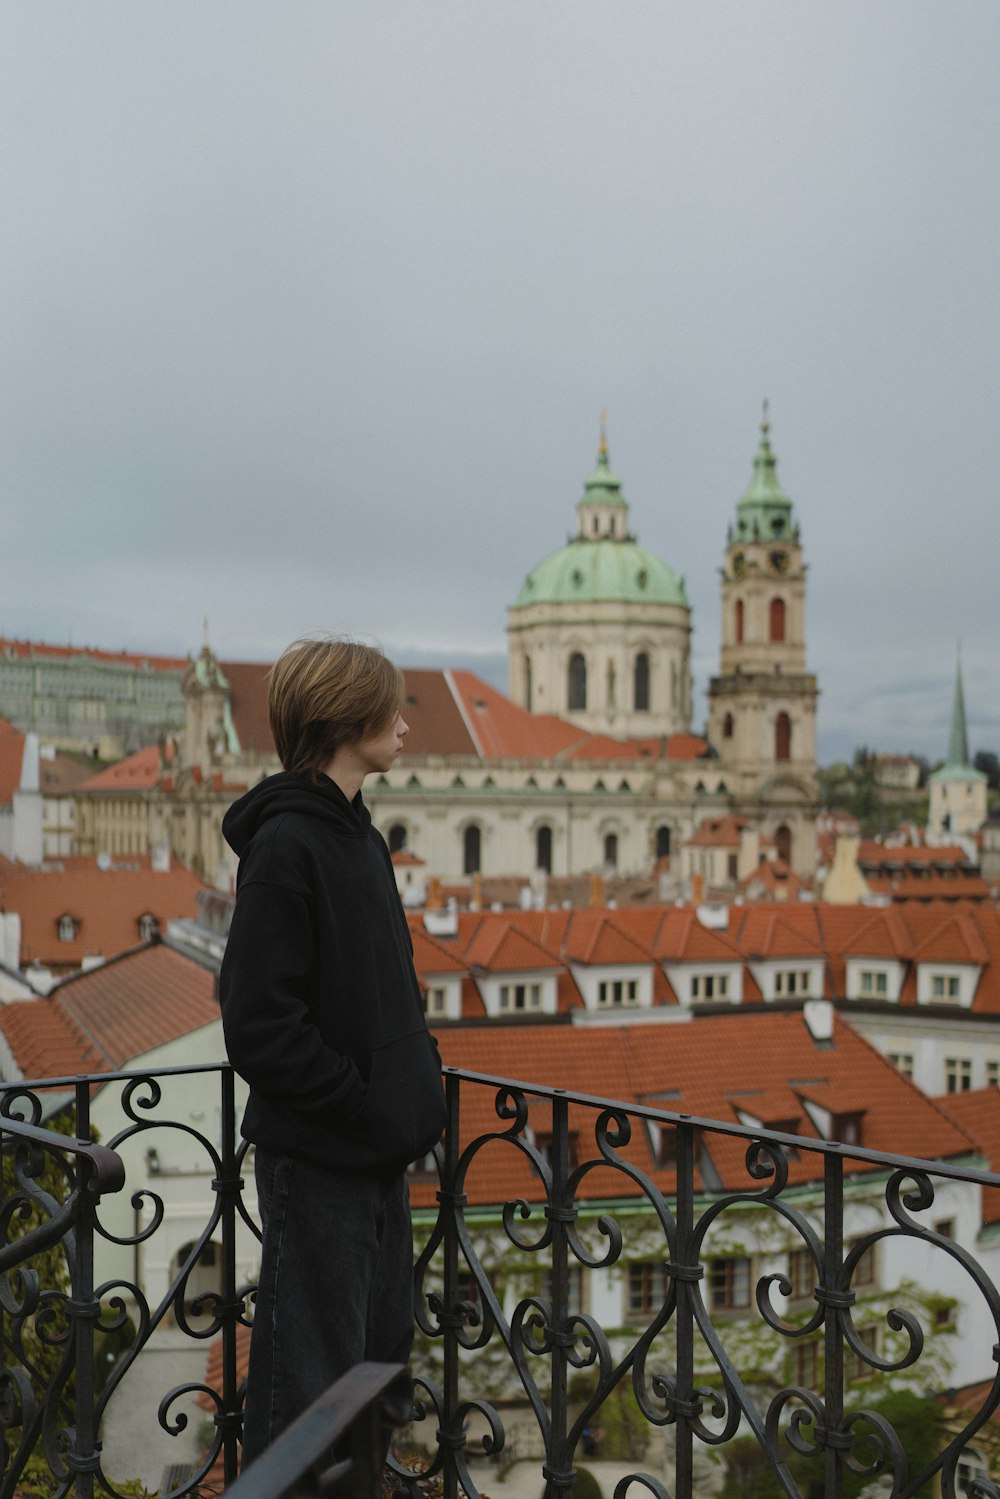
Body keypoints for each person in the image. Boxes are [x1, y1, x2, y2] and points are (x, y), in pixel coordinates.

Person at [218, 636, 447, 1469]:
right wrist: (359, 1099)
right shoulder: (288, 847)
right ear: (347, 718)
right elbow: (257, 1024)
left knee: (374, 1380)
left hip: (374, 1154)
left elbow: (384, 992)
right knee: (309, 1399)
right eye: (390, 706)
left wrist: (400, 1088)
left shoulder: (359, 837)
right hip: (321, 1158)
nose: (404, 723)